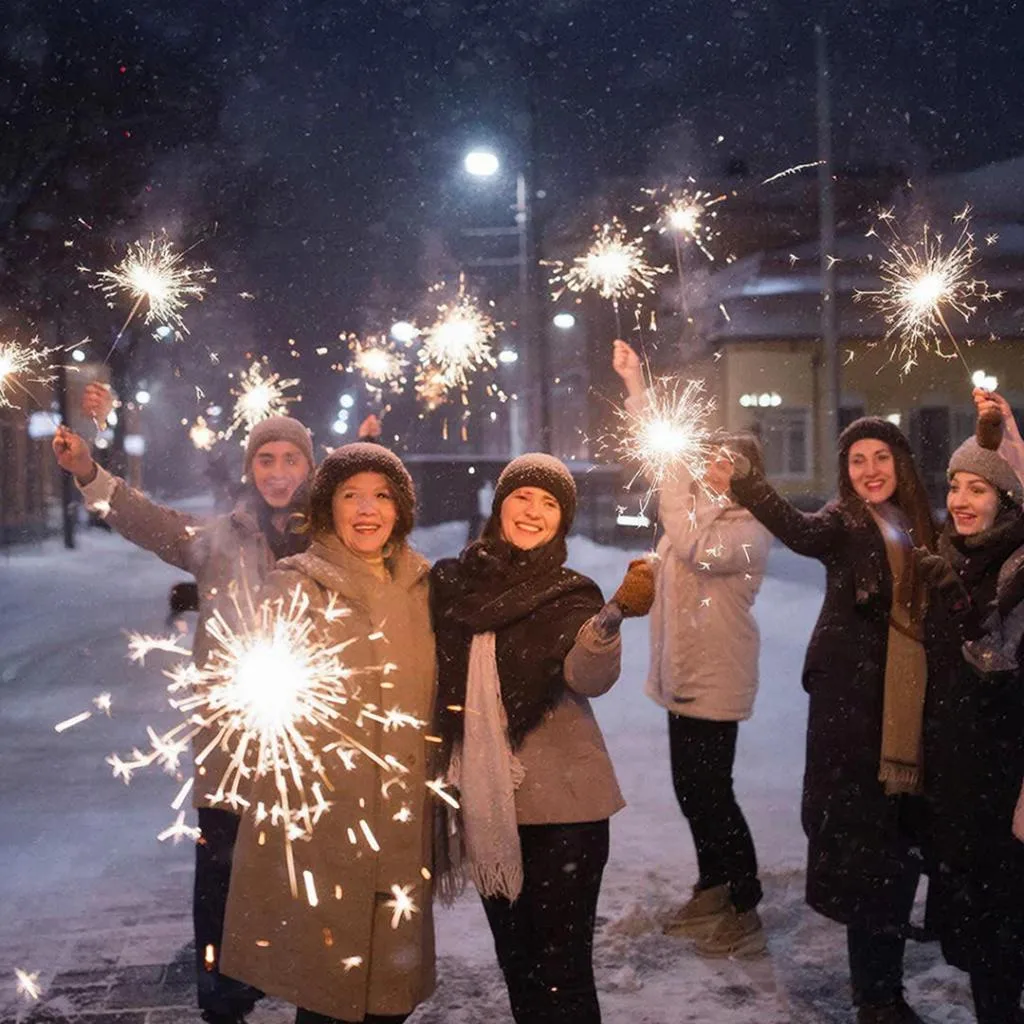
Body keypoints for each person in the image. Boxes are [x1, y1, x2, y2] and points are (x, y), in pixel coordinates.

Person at [52, 381, 315, 1024]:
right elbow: (148, 521)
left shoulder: (332, 539)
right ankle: (221, 991)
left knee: (308, 865)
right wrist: (89, 471)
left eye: (291, 460)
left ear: (310, 466)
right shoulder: (219, 537)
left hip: (317, 738)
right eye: (265, 460)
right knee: (221, 870)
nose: (278, 473)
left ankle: (310, 978)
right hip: (232, 739)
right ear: (251, 467)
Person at [726, 418, 940, 1024]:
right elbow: (797, 530)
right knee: (873, 858)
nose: (869, 470)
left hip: (909, 716)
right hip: (852, 720)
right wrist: (750, 483)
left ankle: (883, 987)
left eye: (880, 457)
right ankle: (876, 997)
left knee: (897, 856)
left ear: (901, 462)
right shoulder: (844, 524)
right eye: (855, 461)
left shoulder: (922, 528)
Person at [430, 453, 655, 1024]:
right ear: (499, 503)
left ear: (562, 521)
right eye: (523, 497)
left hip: (565, 810)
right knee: (519, 968)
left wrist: (610, 620)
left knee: (562, 974)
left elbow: (588, 677)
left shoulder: (571, 593)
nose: (533, 512)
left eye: (550, 504)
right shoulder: (453, 585)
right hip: (487, 804)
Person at [219, 443, 437, 1024]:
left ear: (401, 509)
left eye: (382, 496)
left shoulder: (421, 586)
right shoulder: (296, 584)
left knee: (390, 995)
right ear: (327, 507)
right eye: (351, 495)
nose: (368, 510)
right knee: (328, 996)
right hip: (327, 827)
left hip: (399, 819)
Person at [611, 339, 773, 957]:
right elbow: (665, 475)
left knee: (712, 791)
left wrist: (675, 493)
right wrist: (636, 390)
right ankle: (712, 885)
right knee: (691, 790)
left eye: (732, 464)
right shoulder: (704, 513)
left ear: (751, 473)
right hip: (680, 676)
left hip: (718, 678)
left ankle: (743, 901)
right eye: (714, 460)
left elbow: (690, 545)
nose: (717, 469)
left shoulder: (750, 529)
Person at [922, 421, 1024, 1024]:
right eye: (955, 486)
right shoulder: (950, 559)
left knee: (1007, 939)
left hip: (1009, 786)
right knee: (987, 951)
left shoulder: (1016, 571)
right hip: (964, 783)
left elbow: (996, 665)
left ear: (1006, 498)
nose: (960, 500)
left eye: (978, 489)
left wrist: (961, 609)